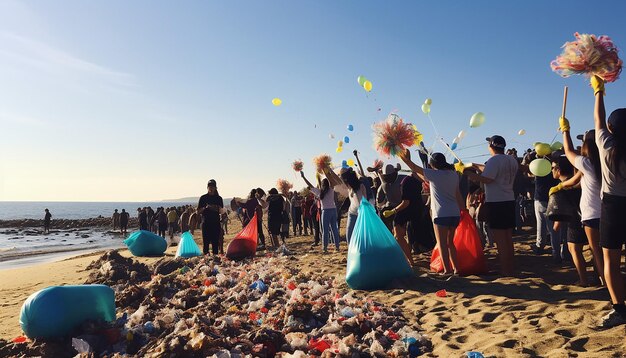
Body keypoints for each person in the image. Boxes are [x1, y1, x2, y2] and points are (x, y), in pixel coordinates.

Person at [587, 76, 626, 327]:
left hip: (612, 206)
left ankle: (619, 309)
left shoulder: (606, 144)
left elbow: (598, 120)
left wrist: (598, 91)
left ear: (612, 129)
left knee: (611, 260)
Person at [464, 135, 518, 276]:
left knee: (500, 240)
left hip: (496, 202)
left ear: (491, 146)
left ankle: (506, 271)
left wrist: (469, 174)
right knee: (507, 237)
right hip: (509, 200)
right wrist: (475, 166)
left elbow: (487, 178)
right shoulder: (511, 159)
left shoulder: (494, 160)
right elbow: (492, 171)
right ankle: (510, 269)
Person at [557, 127, 604, 286]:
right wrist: (563, 185)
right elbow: (575, 181)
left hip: (592, 214)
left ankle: (605, 282)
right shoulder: (607, 161)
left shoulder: (587, 163)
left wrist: (565, 131)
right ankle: (606, 280)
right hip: (609, 212)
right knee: (607, 251)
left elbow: (569, 151)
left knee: (596, 251)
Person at [399, 151, 462, 270]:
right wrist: (463, 209)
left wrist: (406, 160)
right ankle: (456, 269)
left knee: (442, 243)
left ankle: (447, 270)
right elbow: (457, 193)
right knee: (451, 243)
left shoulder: (434, 174)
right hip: (454, 213)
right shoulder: (453, 174)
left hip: (441, 214)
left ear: (433, 165)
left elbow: (415, 168)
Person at [549, 156, 589, 286]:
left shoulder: (562, 187)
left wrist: (556, 224)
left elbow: (561, 209)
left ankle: (583, 279)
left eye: (552, 168)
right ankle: (599, 277)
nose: (551, 171)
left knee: (574, 249)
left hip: (575, 222)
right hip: (587, 217)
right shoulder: (578, 183)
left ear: (558, 170)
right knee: (594, 250)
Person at [324, 167, 367, 244]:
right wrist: (329, 170)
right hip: (352, 213)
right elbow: (337, 180)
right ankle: (351, 251)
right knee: (349, 235)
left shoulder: (361, 186)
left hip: (361, 213)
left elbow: (365, 201)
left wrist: (364, 213)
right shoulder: (349, 187)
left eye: (345, 180)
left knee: (362, 236)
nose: (344, 181)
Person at [530, 156, 562, 259]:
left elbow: (528, 172)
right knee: (553, 228)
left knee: (541, 225)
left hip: (540, 200)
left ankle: (540, 246)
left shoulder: (538, 169)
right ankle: (556, 251)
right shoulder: (554, 170)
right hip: (553, 199)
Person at [301, 171, 341, 252]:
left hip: (325, 212)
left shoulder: (319, 192)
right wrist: (325, 171)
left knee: (325, 230)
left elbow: (310, 185)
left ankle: (325, 248)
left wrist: (303, 177)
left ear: (322, 185)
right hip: (333, 210)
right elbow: (331, 180)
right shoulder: (331, 189)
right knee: (334, 229)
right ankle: (337, 247)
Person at [197, 179, 224, 255]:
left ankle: (215, 260)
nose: (211, 188)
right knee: (205, 244)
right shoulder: (203, 198)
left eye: (213, 186)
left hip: (216, 223)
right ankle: (206, 262)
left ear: (216, 187)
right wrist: (205, 208)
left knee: (215, 244)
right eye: (209, 186)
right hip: (206, 223)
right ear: (207, 187)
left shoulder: (219, 198)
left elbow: (221, 211)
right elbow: (198, 211)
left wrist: (214, 208)